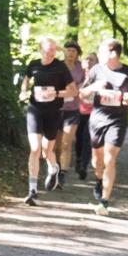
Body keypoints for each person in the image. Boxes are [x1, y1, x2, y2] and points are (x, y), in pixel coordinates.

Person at [79, 38, 128, 216]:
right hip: (97, 120)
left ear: (113, 54)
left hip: (118, 120)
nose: (99, 55)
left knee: (110, 158)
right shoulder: (96, 70)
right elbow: (82, 93)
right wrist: (94, 86)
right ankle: (99, 179)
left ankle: (104, 200)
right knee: (97, 161)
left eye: (102, 51)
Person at [19, 37, 77, 206]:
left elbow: (73, 91)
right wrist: (23, 91)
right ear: (40, 50)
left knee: (46, 150)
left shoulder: (60, 67)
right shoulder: (34, 64)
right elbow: (26, 79)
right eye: (47, 50)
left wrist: (56, 94)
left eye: (53, 50)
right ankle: (32, 190)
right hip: (35, 109)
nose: (51, 52)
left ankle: (54, 168)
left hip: (53, 112)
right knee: (35, 149)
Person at [56, 41, 85, 188]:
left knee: (66, 144)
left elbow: (87, 84)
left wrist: (78, 88)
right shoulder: (57, 66)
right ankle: (54, 169)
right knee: (56, 145)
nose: (71, 53)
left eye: (74, 51)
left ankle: (62, 174)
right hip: (56, 109)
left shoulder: (82, 69)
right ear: (64, 52)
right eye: (68, 50)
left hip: (73, 109)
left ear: (77, 53)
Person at [74, 53, 98, 180]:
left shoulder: (100, 75)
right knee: (78, 139)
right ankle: (78, 160)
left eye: (92, 59)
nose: (89, 61)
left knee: (87, 138)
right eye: (87, 59)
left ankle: (84, 165)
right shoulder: (79, 74)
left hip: (93, 112)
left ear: (96, 62)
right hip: (77, 110)